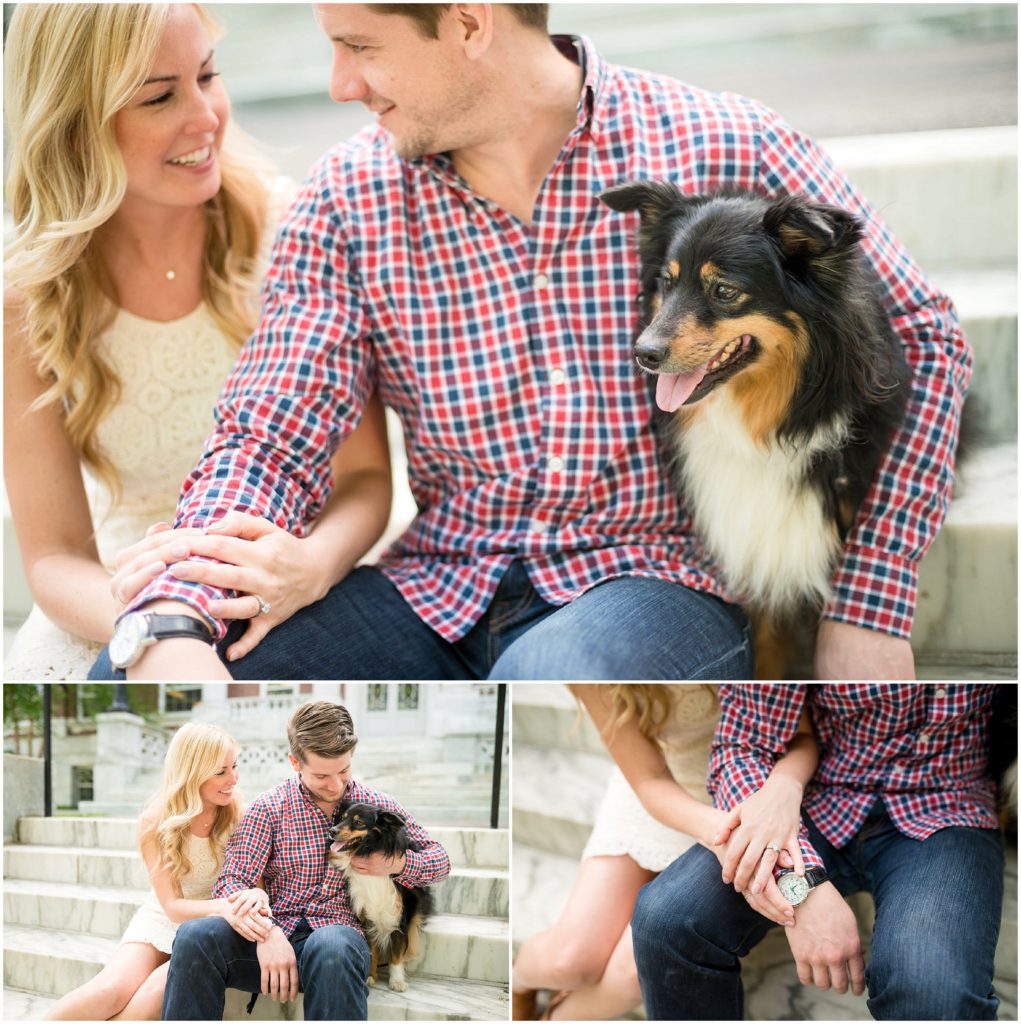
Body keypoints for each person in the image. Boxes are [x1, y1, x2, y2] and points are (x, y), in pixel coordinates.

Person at [94, 3, 969, 681]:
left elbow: (924, 341)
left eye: (358, 46)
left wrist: (870, 604)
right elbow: (269, 431)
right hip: (437, 586)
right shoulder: (345, 200)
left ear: (468, 23)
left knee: (544, 675)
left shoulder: (722, 141)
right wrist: (181, 608)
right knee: (137, 670)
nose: (339, 85)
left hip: (650, 583)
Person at [3, 2, 393, 681]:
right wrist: (148, 614)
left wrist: (310, 565)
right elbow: (53, 555)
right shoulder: (27, 293)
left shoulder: (293, 230)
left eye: (207, 76)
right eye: (160, 95)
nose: (206, 115)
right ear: (76, 125)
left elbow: (364, 479)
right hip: (119, 589)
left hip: (289, 571)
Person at [632, 683, 1004, 1021]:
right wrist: (800, 884)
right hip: (821, 792)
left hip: (951, 804)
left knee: (931, 989)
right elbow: (747, 743)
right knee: (667, 919)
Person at [512, 684, 819, 1020]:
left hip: (744, 792)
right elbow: (650, 780)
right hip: (654, 788)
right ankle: (517, 982)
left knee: (633, 973)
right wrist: (723, 834)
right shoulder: (596, 667)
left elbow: (802, 735)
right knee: (568, 962)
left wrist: (783, 788)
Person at [160, 700, 451, 1020]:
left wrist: (395, 864)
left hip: (336, 948)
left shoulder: (375, 804)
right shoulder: (269, 807)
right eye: (322, 775)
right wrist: (266, 932)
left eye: (344, 770)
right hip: (269, 942)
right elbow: (232, 881)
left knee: (333, 945)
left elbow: (440, 860)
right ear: (295, 762)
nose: (336, 785)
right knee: (194, 936)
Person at [45, 722, 269, 1021]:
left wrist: (240, 903)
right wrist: (224, 907)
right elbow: (173, 908)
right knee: (108, 991)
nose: (233, 779)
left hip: (209, 931)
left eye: (234, 766)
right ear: (193, 772)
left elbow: (257, 885)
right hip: (163, 919)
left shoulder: (240, 814)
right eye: (221, 771)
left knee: (153, 997)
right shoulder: (154, 821)